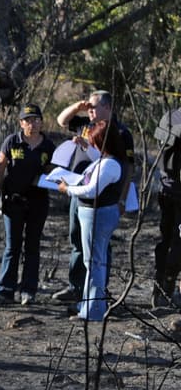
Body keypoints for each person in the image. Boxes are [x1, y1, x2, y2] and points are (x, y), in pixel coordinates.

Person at [53, 91, 134, 303]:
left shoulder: (121, 132)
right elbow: (62, 120)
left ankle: (98, 292)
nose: (90, 111)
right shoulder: (86, 124)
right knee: (77, 240)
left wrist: (123, 199)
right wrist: (78, 106)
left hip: (103, 198)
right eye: (88, 108)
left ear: (108, 107)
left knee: (100, 246)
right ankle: (76, 287)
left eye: (94, 107)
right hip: (79, 193)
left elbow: (128, 167)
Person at [57, 120, 128, 321]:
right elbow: (97, 160)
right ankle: (90, 304)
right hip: (93, 214)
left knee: (94, 263)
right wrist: (85, 146)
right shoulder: (107, 159)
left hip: (98, 216)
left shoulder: (111, 164)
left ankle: (93, 311)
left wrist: (67, 189)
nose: (92, 143)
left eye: (94, 140)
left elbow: (92, 190)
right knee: (94, 262)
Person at [0, 104, 57, 306]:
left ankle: (28, 291)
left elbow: (54, 171)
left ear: (41, 122)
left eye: (36, 119)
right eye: (28, 120)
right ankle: (5, 290)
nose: (32, 124)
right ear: (21, 123)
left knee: (32, 246)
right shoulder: (12, 142)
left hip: (38, 202)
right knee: (12, 246)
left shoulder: (48, 146)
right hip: (13, 201)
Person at [154, 108, 181, 310]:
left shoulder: (170, 116)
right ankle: (165, 287)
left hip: (167, 188)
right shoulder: (172, 118)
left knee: (168, 241)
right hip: (172, 191)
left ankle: (163, 289)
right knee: (173, 243)